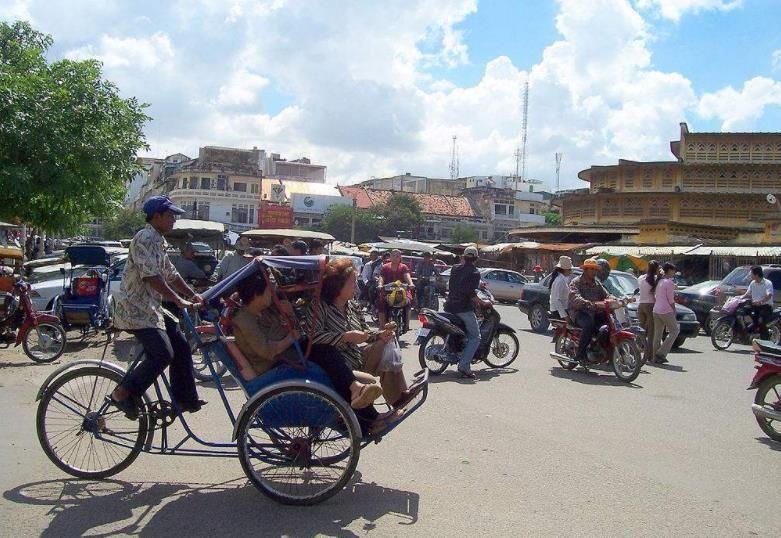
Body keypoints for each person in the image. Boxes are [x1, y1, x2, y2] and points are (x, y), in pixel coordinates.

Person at [109, 196, 204, 419]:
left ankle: (185, 399)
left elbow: (171, 274)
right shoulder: (144, 237)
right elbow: (151, 276)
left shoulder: (159, 241)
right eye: (170, 216)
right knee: (163, 354)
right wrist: (178, 300)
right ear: (157, 216)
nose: (174, 220)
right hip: (134, 310)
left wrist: (193, 294)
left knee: (181, 345)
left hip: (151, 310)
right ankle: (123, 393)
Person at [231, 271, 382, 410]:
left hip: (291, 355)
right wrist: (290, 339)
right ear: (257, 294)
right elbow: (267, 350)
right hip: (276, 366)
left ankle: (358, 393)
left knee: (326, 351)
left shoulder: (266, 311)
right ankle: (363, 411)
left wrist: (290, 315)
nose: (272, 293)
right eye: (268, 290)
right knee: (325, 354)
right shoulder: (244, 320)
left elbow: (292, 330)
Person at [309, 258, 424, 429]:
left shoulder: (353, 306)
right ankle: (372, 419)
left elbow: (366, 334)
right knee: (368, 379)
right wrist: (345, 336)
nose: (356, 287)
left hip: (358, 357)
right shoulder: (320, 307)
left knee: (387, 343)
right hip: (338, 364)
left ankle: (398, 397)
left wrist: (381, 334)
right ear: (337, 286)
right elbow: (314, 337)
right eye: (352, 283)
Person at [444, 246, 491, 379]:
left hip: (449, 306)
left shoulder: (455, 268)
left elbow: (459, 283)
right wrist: (483, 303)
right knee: (476, 337)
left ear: (463, 257)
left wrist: (479, 285)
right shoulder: (475, 272)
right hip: (463, 308)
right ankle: (464, 366)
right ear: (476, 258)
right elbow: (470, 294)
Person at [569, 258, 612, 363]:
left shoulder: (597, 283)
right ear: (585, 270)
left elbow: (606, 294)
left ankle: (598, 346)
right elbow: (575, 297)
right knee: (589, 325)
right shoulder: (576, 282)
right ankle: (580, 354)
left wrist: (616, 300)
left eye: (595, 269)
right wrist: (586, 303)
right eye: (591, 269)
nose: (594, 272)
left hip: (595, 311)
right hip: (579, 312)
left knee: (608, 324)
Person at [377, 250, 415, 331]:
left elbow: (407, 276)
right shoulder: (385, 267)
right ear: (390, 257)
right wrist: (380, 285)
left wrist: (410, 284)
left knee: (408, 301)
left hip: (402, 291)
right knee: (381, 302)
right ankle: (382, 325)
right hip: (388, 291)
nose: (395, 257)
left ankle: (407, 325)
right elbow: (381, 277)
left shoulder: (403, 267)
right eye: (393, 255)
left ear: (400, 257)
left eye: (397, 256)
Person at [652, 262, 680, 364]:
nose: (674, 272)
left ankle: (655, 356)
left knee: (658, 333)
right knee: (675, 331)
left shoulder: (659, 281)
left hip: (656, 310)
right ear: (669, 271)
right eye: (673, 271)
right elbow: (670, 299)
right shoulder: (668, 282)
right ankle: (661, 353)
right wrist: (674, 309)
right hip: (665, 310)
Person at [742, 265, 774, 340]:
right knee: (743, 311)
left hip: (765, 307)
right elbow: (747, 294)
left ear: (756, 275)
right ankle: (746, 333)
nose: (749, 275)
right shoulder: (752, 283)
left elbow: (769, 295)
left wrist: (760, 301)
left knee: (761, 323)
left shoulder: (767, 283)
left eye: (751, 273)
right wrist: (737, 298)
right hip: (755, 306)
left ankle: (765, 343)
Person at [638, 260, 660, 364]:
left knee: (641, 332)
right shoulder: (655, 279)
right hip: (650, 305)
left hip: (640, 305)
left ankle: (636, 352)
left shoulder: (641, 278)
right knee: (651, 333)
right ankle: (650, 356)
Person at [549, 256, 573, 320]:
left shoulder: (563, 279)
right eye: (570, 269)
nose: (571, 271)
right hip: (558, 311)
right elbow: (557, 301)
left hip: (561, 309)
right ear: (565, 270)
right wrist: (565, 316)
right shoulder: (560, 281)